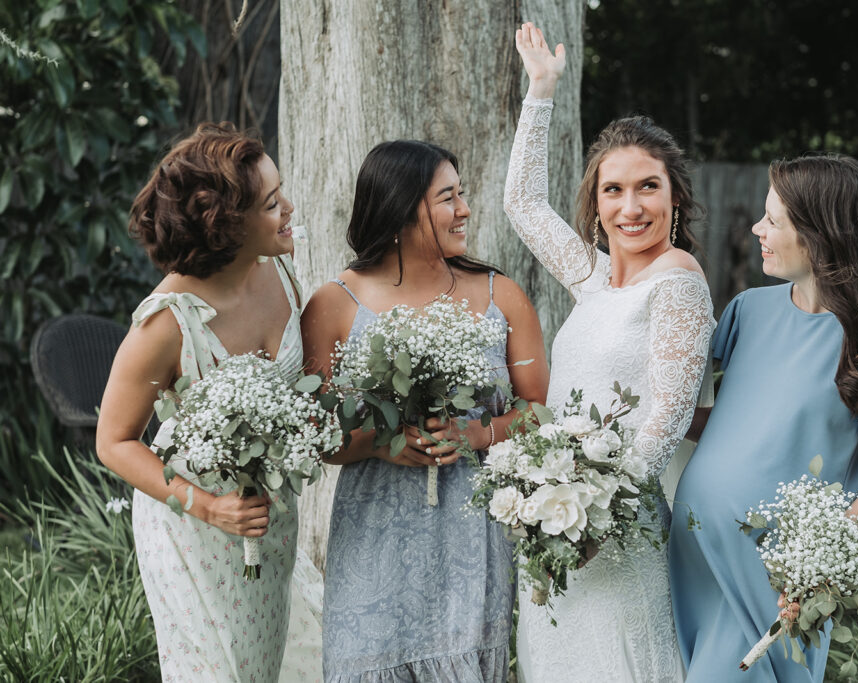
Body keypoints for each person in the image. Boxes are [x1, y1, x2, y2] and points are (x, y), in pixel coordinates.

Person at [669, 154, 858, 682]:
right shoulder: (747, 310)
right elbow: (733, 424)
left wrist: (813, 570)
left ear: (821, 236)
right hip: (695, 555)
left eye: (773, 220)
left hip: (772, 575)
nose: (757, 229)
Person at [504, 23, 715, 682]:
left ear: (674, 196)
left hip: (617, 530)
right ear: (595, 205)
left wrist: (599, 513)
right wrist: (541, 90)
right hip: (558, 522)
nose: (631, 206)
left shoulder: (678, 281)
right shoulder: (595, 279)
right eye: (613, 189)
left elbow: (666, 418)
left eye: (648, 186)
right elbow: (523, 203)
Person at [301, 139, 549, 682]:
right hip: (373, 538)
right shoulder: (334, 304)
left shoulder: (501, 296)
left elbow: (537, 411)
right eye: (447, 198)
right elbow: (314, 435)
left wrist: (478, 433)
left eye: (462, 194)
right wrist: (379, 442)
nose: (465, 209)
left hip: (472, 532)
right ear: (401, 209)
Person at [96, 122, 322, 682]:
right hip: (193, 528)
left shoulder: (282, 267)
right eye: (271, 203)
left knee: (268, 666)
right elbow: (114, 442)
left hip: (269, 514)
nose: (289, 209)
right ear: (227, 224)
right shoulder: (164, 323)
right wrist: (208, 507)